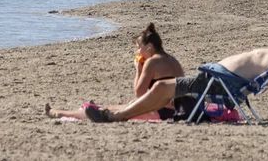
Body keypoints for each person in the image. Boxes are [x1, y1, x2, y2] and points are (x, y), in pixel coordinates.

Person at [53, 27, 268, 123]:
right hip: (217, 79)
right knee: (162, 92)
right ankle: (115, 113)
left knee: (160, 90)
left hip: (218, 82)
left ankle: (116, 116)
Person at [45, 24, 189, 121]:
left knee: (110, 111)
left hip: (160, 112)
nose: (137, 51)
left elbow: (139, 92)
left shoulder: (152, 62)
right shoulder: (172, 60)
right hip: (173, 109)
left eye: (139, 47)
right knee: (121, 106)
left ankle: (61, 113)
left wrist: (138, 69)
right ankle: (90, 108)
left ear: (150, 47)